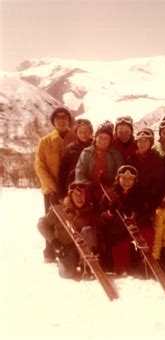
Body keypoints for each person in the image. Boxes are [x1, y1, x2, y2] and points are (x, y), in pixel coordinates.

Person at [35, 107, 76, 262]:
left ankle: (71, 248)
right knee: (51, 220)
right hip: (51, 189)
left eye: (64, 117)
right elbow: (39, 166)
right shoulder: (44, 141)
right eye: (58, 118)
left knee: (71, 218)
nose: (61, 120)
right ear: (53, 121)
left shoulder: (74, 138)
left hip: (71, 189)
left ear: (69, 120)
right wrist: (53, 187)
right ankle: (50, 249)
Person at [99, 165, 155, 275]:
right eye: (123, 178)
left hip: (135, 232)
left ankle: (143, 258)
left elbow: (147, 215)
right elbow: (101, 221)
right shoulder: (108, 197)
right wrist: (110, 213)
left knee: (149, 231)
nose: (127, 181)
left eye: (130, 179)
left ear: (135, 180)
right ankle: (128, 260)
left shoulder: (140, 195)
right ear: (118, 179)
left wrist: (135, 216)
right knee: (122, 269)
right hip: (117, 235)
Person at [37, 180, 99, 279]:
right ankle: (70, 262)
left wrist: (94, 247)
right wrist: (53, 241)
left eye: (82, 194)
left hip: (84, 248)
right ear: (70, 196)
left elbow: (97, 230)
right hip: (67, 248)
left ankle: (87, 266)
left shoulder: (90, 210)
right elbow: (41, 224)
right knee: (66, 274)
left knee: (88, 230)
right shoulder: (59, 210)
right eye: (76, 194)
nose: (80, 197)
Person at [75, 121, 123, 202]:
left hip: (108, 191)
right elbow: (80, 172)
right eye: (101, 137)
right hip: (88, 190)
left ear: (110, 140)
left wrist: (112, 187)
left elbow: (120, 174)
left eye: (106, 138)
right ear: (95, 138)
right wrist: (88, 186)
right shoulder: (87, 152)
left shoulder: (115, 154)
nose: (103, 141)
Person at [127, 127, 165, 217]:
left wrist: (151, 198)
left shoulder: (157, 160)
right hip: (134, 197)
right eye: (140, 141)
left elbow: (160, 182)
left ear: (151, 143)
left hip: (151, 199)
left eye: (146, 141)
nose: (143, 144)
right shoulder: (131, 159)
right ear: (136, 143)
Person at [58, 119, 94, 198]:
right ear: (76, 133)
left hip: (92, 187)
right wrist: (61, 193)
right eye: (80, 132)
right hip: (74, 188)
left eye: (87, 131)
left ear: (91, 132)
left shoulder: (95, 147)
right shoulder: (70, 149)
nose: (83, 134)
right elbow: (62, 173)